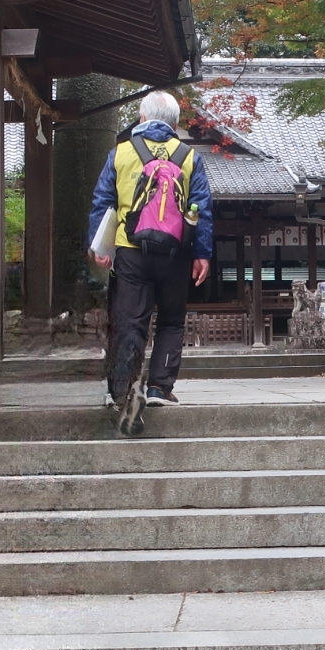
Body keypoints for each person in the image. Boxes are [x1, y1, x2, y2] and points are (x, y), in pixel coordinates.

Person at [89, 90, 213, 410]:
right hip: (175, 252)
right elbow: (201, 208)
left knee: (130, 321)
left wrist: (100, 245)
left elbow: (103, 202)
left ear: (142, 118)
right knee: (171, 320)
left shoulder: (121, 152)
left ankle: (123, 390)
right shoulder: (189, 156)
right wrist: (202, 253)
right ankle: (159, 387)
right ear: (175, 123)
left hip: (130, 251)